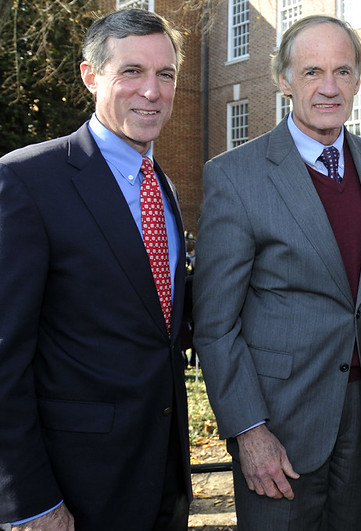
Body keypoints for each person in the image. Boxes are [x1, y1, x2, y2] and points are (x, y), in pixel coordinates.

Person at [192, 15, 361, 531]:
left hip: (359, 419)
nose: (329, 88)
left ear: (357, 79)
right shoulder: (236, 176)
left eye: (342, 71)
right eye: (312, 72)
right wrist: (249, 430)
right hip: (278, 426)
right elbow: (215, 324)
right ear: (283, 80)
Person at [0, 8, 190, 531]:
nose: (152, 90)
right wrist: (29, 500)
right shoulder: (28, 181)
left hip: (164, 478)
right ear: (91, 75)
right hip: (75, 487)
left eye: (165, 74)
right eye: (132, 71)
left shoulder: (164, 188)